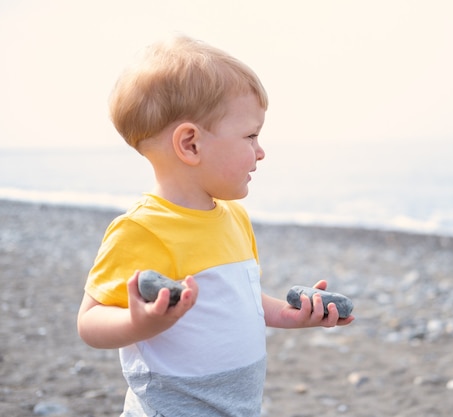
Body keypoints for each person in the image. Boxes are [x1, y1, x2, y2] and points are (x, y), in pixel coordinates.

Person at [76, 35, 354, 416]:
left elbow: (238, 300)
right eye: (250, 136)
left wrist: (288, 316)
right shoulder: (143, 229)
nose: (261, 151)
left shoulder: (233, 216)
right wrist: (138, 323)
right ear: (190, 144)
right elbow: (89, 322)